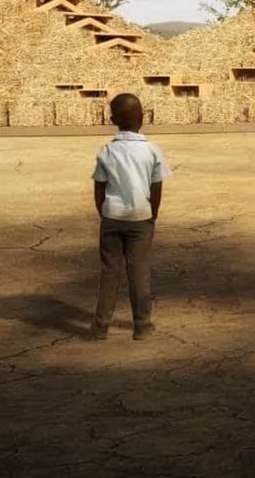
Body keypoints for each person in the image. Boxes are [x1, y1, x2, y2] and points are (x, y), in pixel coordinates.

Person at [90, 93, 171, 340]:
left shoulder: (107, 151)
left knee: (110, 271)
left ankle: (101, 326)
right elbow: (156, 187)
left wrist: (103, 211)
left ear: (112, 119)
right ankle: (142, 326)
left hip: (112, 216)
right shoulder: (152, 151)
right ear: (143, 118)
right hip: (141, 217)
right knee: (139, 271)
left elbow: (99, 187)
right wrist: (152, 214)